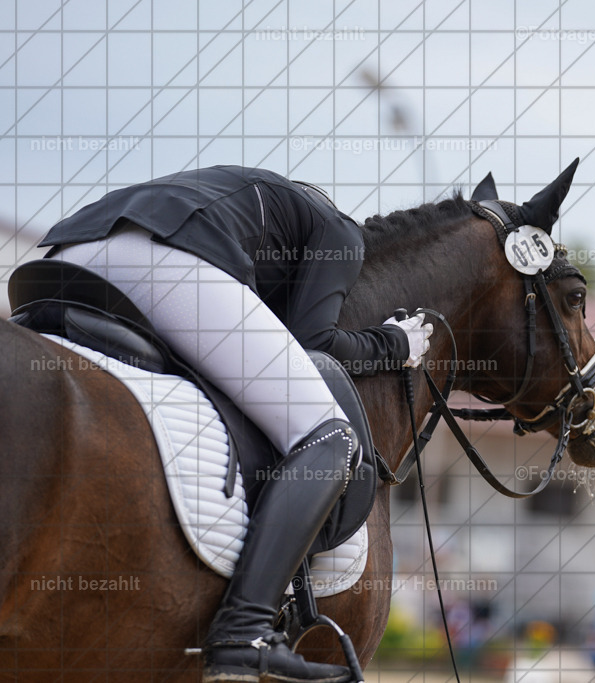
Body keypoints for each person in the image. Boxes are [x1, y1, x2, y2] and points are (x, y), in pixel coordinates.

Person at [35, 165, 432, 683]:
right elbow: (314, 342)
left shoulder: (251, 202)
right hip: (162, 263)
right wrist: (393, 344)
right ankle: (243, 632)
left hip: (65, 256)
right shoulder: (341, 233)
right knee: (330, 436)